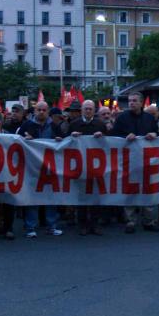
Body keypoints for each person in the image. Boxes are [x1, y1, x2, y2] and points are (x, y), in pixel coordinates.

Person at [111, 92, 159, 233]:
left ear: (141, 103)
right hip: (129, 161)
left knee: (148, 191)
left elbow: (157, 134)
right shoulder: (122, 118)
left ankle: (149, 221)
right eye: (129, 101)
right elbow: (114, 137)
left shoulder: (150, 118)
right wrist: (124, 137)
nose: (131, 103)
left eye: (134, 101)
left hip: (147, 162)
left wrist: (154, 135)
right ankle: (130, 221)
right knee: (130, 191)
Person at [18, 102, 62, 238]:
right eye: (39, 110)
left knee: (51, 197)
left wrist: (60, 140)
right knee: (32, 198)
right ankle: (31, 227)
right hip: (32, 168)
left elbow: (63, 142)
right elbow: (17, 142)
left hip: (50, 168)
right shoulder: (26, 126)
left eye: (44, 110)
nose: (41, 112)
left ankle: (51, 225)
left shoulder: (55, 126)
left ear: (48, 111)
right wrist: (26, 140)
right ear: (34, 111)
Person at [66, 100, 106, 236]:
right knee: (82, 196)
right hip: (80, 166)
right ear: (82, 110)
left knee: (96, 196)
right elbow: (66, 144)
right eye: (86, 109)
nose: (88, 111)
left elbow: (109, 144)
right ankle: (82, 224)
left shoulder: (100, 125)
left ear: (94, 111)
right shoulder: (74, 124)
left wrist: (103, 137)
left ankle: (95, 224)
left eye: (90, 109)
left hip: (96, 166)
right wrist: (71, 137)